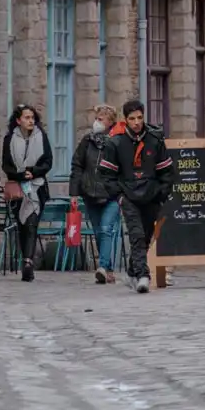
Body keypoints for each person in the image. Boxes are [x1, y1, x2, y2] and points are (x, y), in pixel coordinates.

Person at [98, 98, 176, 292]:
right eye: (132, 118)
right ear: (126, 120)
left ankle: (133, 271)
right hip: (128, 196)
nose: (137, 122)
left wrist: (161, 193)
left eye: (140, 117)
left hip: (151, 195)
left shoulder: (155, 140)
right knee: (136, 234)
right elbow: (106, 174)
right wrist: (120, 196)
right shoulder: (115, 143)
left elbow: (166, 170)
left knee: (147, 235)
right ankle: (143, 274)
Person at [68, 103, 121, 282]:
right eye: (96, 119)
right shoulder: (87, 141)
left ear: (110, 122)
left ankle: (102, 267)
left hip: (111, 195)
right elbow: (77, 165)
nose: (97, 122)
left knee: (106, 229)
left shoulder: (118, 142)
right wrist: (74, 193)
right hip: (90, 193)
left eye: (101, 119)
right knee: (99, 231)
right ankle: (108, 269)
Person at [1, 103, 52, 282]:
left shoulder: (41, 137)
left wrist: (34, 172)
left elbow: (48, 161)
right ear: (18, 120)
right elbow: (6, 164)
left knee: (31, 223)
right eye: (27, 118)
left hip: (37, 187)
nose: (31, 121)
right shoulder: (9, 139)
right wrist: (20, 174)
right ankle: (25, 259)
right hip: (18, 189)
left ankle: (28, 262)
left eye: (32, 118)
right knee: (22, 225)